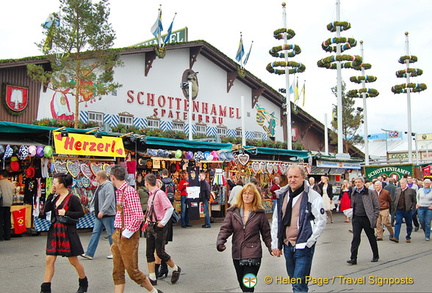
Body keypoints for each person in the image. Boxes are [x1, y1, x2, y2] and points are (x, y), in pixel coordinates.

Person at [271, 165, 326, 293]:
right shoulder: (283, 195)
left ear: (303, 177)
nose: (292, 180)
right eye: (290, 177)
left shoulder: (312, 196)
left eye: (296, 177)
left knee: (299, 284)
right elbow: (276, 221)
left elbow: (321, 221)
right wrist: (276, 244)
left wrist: (310, 241)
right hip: (287, 245)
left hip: (303, 246)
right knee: (294, 281)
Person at [109, 165, 160, 293]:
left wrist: (126, 234)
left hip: (128, 234)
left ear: (113, 177)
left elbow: (138, 216)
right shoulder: (119, 191)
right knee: (117, 272)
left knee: (133, 272)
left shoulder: (129, 191)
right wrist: (116, 239)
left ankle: (154, 291)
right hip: (119, 233)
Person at [217, 183, 272, 292]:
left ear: (254, 196)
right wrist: (220, 242)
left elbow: (266, 233)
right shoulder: (233, 212)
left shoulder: (259, 214)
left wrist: (272, 247)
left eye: (250, 194)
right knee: (242, 284)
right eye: (245, 193)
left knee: (248, 287)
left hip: (253, 254)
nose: (246, 196)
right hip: (237, 254)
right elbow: (225, 228)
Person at [40, 173, 88, 293]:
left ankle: (83, 282)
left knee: (73, 261)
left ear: (61, 184)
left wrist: (66, 213)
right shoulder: (55, 197)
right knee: (49, 260)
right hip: (55, 231)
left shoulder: (73, 198)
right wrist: (50, 194)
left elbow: (80, 213)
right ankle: (45, 288)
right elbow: (45, 209)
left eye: (55, 182)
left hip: (67, 232)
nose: (54, 185)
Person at [144, 173, 181, 285]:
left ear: (146, 183)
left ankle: (175, 268)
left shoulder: (159, 194)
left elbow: (169, 208)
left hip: (158, 226)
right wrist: (147, 219)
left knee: (160, 252)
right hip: (150, 225)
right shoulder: (151, 194)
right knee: (149, 252)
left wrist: (162, 223)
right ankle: (152, 277)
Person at [81, 170, 116, 260]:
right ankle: (89, 253)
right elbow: (96, 198)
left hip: (107, 214)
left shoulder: (108, 185)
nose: (95, 178)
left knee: (110, 233)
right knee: (95, 233)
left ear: (100, 177)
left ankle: (115, 252)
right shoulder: (99, 186)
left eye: (96, 176)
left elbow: (109, 199)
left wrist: (103, 211)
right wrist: (92, 208)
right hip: (98, 214)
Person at [347, 177, 379, 265]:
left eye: (359, 182)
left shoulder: (369, 192)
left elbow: (376, 205)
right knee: (356, 237)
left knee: (371, 237)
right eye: (356, 182)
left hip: (367, 218)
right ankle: (353, 258)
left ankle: (375, 255)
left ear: (363, 183)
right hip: (357, 218)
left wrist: (374, 216)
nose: (357, 184)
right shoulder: (354, 192)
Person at [391, 178, 417, 244]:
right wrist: (394, 205)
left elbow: (414, 201)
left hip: (407, 210)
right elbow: (395, 198)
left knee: (409, 224)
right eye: (400, 183)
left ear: (406, 183)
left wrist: (412, 208)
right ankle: (396, 237)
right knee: (398, 222)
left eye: (403, 183)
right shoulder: (397, 190)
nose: (401, 185)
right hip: (399, 210)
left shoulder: (411, 190)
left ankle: (408, 236)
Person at [0, 170, 14, 241]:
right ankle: (7, 236)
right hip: (8, 203)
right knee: (7, 220)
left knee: (1, 220)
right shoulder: (10, 183)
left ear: (1, 175)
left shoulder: (0, 183)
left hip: (2, 203)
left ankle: (1, 236)